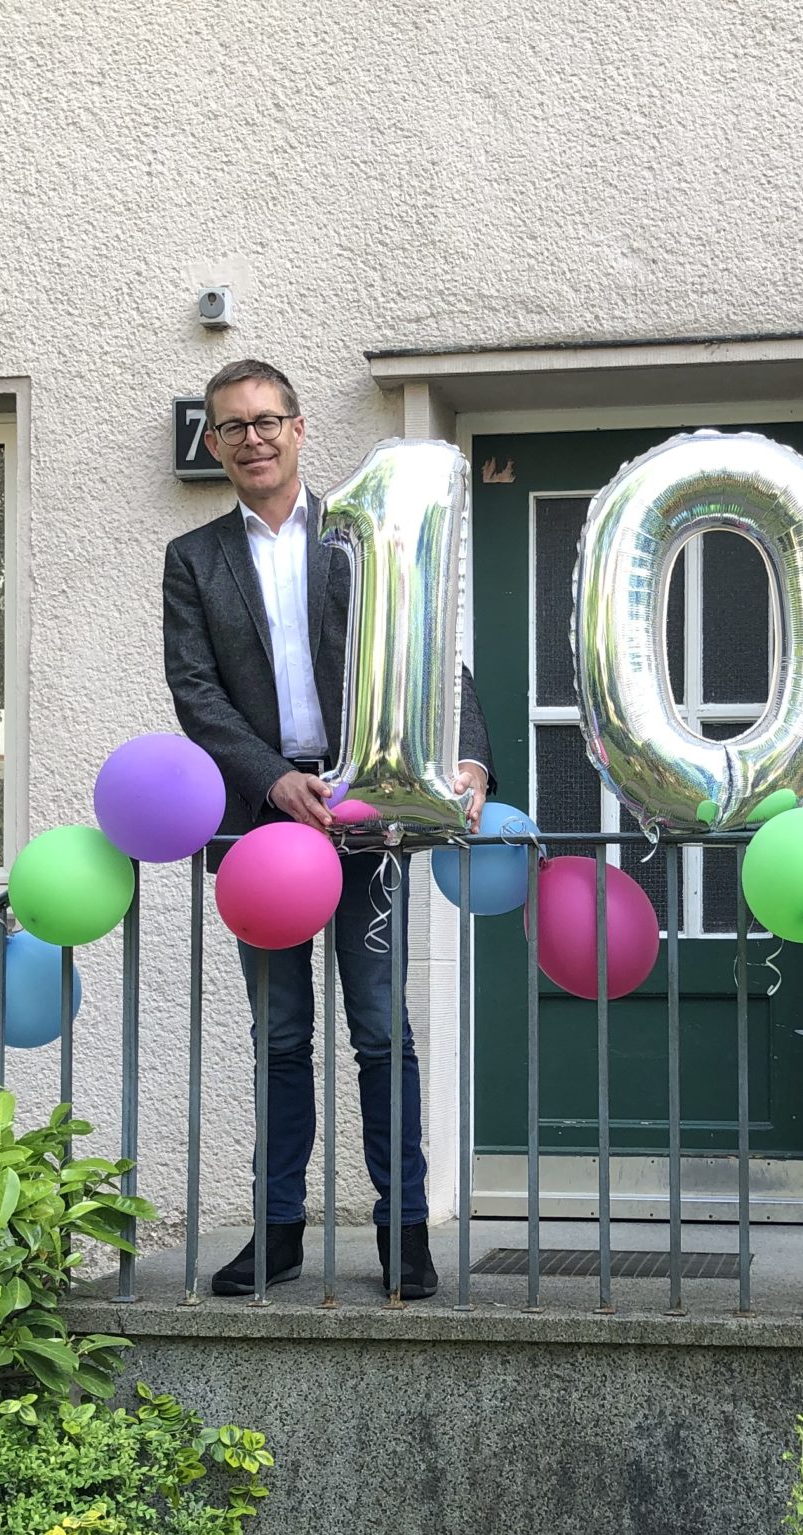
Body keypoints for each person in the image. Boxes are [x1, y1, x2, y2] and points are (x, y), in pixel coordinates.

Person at [164, 357, 492, 1302]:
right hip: (262, 830)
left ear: (299, 429)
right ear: (215, 443)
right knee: (280, 1037)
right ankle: (276, 1235)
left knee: (382, 1032)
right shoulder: (192, 560)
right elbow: (197, 694)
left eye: (268, 420)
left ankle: (404, 1235)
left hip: (368, 818)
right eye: (234, 426)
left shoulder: (359, 537)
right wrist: (271, 781)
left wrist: (471, 760)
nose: (253, 439)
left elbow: (433, 653)